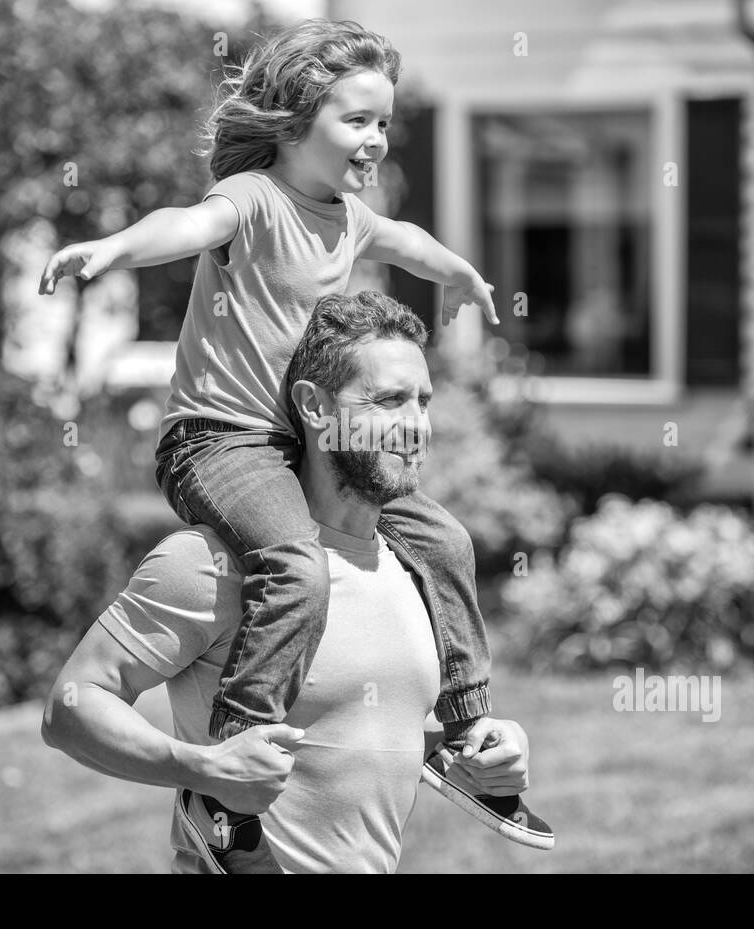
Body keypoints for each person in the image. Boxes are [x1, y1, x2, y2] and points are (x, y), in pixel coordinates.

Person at [39, 18, 549, 871]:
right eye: (356, 121)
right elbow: (183, 226)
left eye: (384, 123)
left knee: (446, 539)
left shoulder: (349, 218)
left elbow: (404, 242)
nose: (375, 140)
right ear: (293, 121)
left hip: (286, 439)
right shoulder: (256, 198)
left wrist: (458, 272)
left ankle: (462, 737)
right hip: (219, 437)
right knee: (296, 564)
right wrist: (114, 250)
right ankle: (230, 779)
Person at [42, 292, 552, 873]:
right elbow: (71, 707)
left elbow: (353, 733)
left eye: (422, 402)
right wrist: (200, 769)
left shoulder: (416, 568)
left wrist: (479, 751)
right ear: (313, 406)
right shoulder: (215, 565)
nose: (413, 427)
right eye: (386, 401)